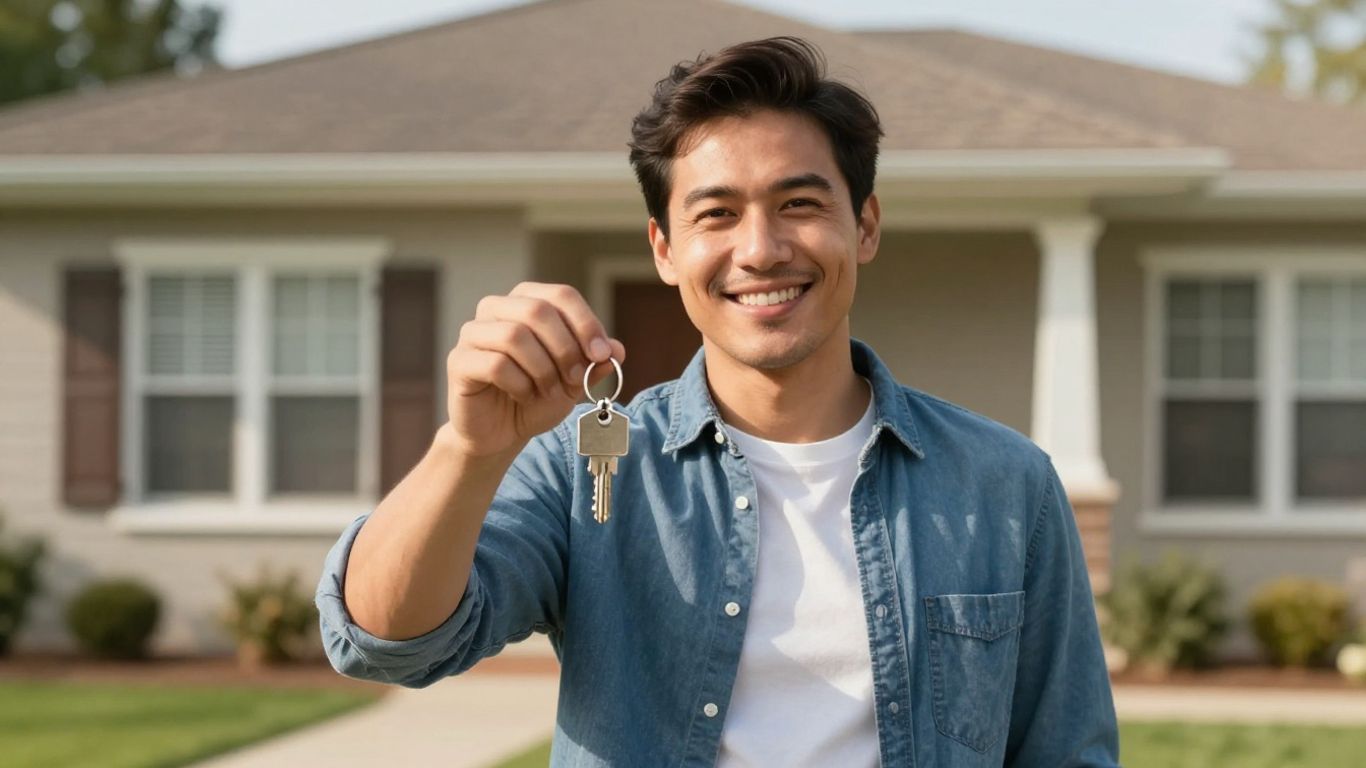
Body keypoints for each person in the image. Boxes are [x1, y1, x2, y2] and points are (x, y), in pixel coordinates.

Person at [317, 35, 1119, 768]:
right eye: (717, 214)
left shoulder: (1006, 482)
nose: (761, 249)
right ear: (665, 249)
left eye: (799, 204)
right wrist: (470, 448)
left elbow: (1067, 752)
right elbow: (387, 645)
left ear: (865, 226)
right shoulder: (584, 468)